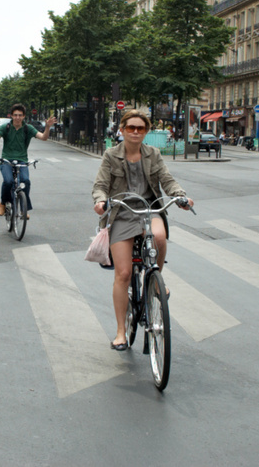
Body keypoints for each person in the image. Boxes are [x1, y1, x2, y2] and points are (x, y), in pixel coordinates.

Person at [92, 110, 194, 351]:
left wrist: (180, 196)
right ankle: (120, 332)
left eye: (140, 128)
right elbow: (100, 185)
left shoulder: (153, 154)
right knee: (124, 274)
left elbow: (167, 180)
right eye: (131, 128)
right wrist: (100, 201)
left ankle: (156, 279)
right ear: (122, 130)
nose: (135, 132)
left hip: (150, 208)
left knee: (159, 236)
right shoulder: (110, 155)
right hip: (121, 210)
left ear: (146, 131)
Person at [0, 105, 57, 218]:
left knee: (26, 181)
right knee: (8, 181)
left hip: (22, 160)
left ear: (23, 116)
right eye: (15, 115)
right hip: (6, 160)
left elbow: (43, 137)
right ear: (11, 116)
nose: (17, 117)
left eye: (20, 115)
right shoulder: (6, 127)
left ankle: (24, 209)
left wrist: (47, 127)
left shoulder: (28, 128)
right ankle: (3, 202)